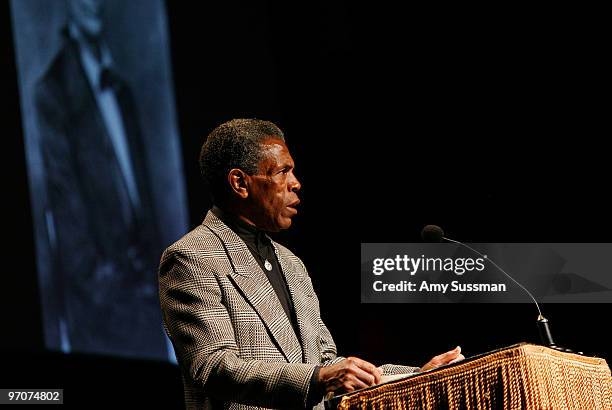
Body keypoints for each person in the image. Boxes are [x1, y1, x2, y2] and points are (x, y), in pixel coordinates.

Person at [158, 119, 464, 409]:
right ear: (240, 182)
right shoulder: (191, 258)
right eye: (282, 172)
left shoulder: (291, 263)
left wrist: (418, 376)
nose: (296, 183)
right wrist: (318, 378)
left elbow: (326, 363)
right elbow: (213, 366)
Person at [34, 0, 166, 357]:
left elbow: (144, 199)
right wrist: (109, 290)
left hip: (148, 294)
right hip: (104, 311)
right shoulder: (53, 92)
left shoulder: (121, 89)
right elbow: (68, 217)